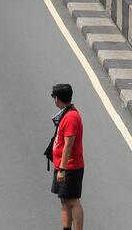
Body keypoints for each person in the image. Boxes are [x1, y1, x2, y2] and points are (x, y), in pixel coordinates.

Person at [49, 83, 84, 230]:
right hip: (63, 165)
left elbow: (69, 145)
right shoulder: (66, 113)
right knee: (64, 200)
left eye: (53, 96)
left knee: (73, 200)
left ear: (58, 98)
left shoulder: (71, 117)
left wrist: (62, 169)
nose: (53, 99)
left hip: (70, 166)